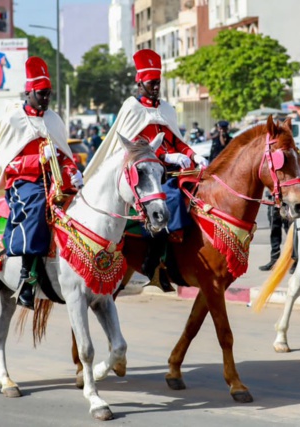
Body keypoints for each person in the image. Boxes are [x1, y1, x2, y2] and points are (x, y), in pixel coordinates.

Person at [0, 56, 81, 309]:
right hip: (23, 184)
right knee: (37, 207)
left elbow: (64, 156)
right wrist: (37, 160)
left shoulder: (53, 119)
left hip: (54, 180)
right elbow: (6, 164)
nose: (46, 99)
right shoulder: (12, 120)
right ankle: (27, 276)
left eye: (49, 94)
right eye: (42, 94)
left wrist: (74, 170)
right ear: (29, 92)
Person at [83, 49, 208, 292]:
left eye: (158, 83)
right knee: (165, 202)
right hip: (145, 174)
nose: (155, 88)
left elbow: (177, 140)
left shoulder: (166, 109)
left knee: (199, 195)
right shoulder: (132, 108)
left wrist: (193, 154)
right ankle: (154, 264)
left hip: (171, 171)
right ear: (139, 82)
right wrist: (165, 155)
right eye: (151, 83)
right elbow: (136, 148)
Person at [259, 189, 298, 273]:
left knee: (290, 233)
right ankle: (274, 259)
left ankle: (293, 261)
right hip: (274, 199)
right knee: (274, 230)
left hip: (287, 200)